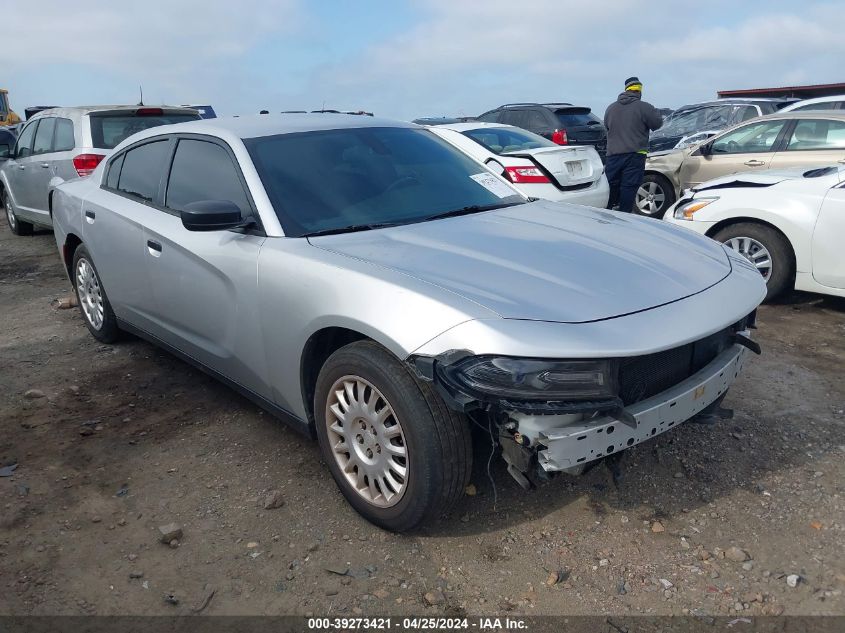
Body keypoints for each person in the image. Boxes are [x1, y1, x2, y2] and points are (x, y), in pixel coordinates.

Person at [604, 77, 663, 213]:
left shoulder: (610, 108)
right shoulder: (644, 107)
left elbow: (607, 127)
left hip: (613, 155)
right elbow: (657, 124)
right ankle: (625, 218)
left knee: (611, 186)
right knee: (629, 188)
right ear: (639, 91)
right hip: (635, 154)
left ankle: (606, 214)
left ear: (626, 90)